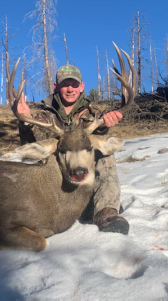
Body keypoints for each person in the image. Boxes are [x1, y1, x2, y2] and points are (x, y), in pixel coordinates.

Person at [16, 64, 129, 235]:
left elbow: (99, 139)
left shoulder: (94, 115)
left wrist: (105, 127)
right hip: (56, 185)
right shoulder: (43, 117)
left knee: (104, 155)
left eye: (74, 85)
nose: (70, 89)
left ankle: (106, 212)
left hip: (83, 178)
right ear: (56, 87)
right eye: (65, 84)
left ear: (82, 87)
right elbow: (31, 148)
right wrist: (25, 123)